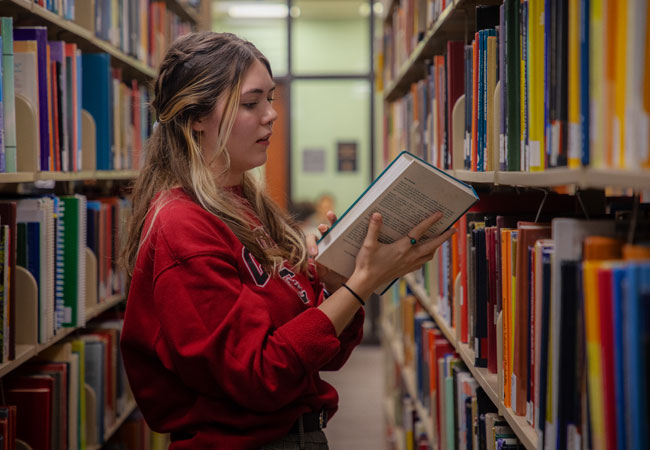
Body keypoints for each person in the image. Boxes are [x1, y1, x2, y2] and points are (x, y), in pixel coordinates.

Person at [119, 31, 455, 450]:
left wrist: (335, 283)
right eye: (250, 103)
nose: (271, 114)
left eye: (271, 98)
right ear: (196, 116)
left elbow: (321, 355)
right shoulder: (183, 226)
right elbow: (259, 375)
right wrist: (360, 284)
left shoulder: (246, 208)